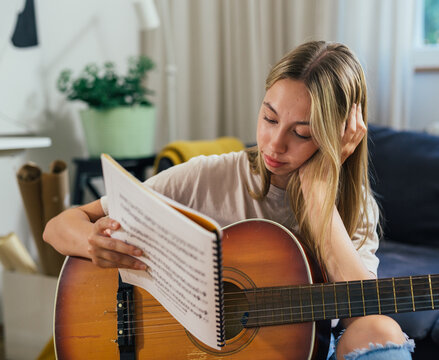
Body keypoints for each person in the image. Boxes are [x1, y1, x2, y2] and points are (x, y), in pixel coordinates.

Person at [44, 41, 414, 360]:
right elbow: (59, 226)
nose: (273, 144)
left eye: (301, 133)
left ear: (339, 137)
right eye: (269, 118)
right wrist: (90, 242)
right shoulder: (208, 175)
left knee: (380, 328)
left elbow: (363, 317)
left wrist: (320, 203)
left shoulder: (355, 206)